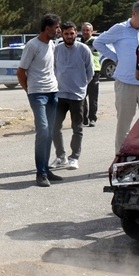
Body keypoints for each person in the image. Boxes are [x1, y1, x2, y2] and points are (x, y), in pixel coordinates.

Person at [94, 1, 139, 151]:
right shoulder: (119, 29)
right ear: (134, 13)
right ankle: (121, 157)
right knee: (124, 124)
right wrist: (115, 57)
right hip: (125, 83)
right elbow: (98, 42)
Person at [17, 14, 63, 187]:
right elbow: (21, 72)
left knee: (50, 132)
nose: (59, 30)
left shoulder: (51, 44)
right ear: (47, 29)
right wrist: (29, 91)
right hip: (38, 94)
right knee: (42, 130)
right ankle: (40, 173)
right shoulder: (32, 45)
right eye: (57, 27)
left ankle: (46, 169)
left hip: (53, 92)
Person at [50, 21, 94, 172]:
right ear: (62, 34)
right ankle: (60, 156)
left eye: (72, 33)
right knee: (55, 127)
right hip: (60, 94)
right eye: (66, 33)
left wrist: (81, 87)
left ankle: (74, 157)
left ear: (76, 33)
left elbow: (90, 72)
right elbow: (53, 69)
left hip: (77, 95)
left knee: (77, 128)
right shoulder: (56, 50)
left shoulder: (83, 50)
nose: (69, 36)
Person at [79, 22, 100, 126]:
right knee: (82, 96)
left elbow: (87, 51)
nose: (85, 32)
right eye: (83, 30)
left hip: (94, 71)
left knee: (92, 97)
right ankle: (84, 119)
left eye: (87, 30)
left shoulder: (94, 41)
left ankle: (93, 118)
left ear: (92, 31)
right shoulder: (79, 42)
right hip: (82, 72)